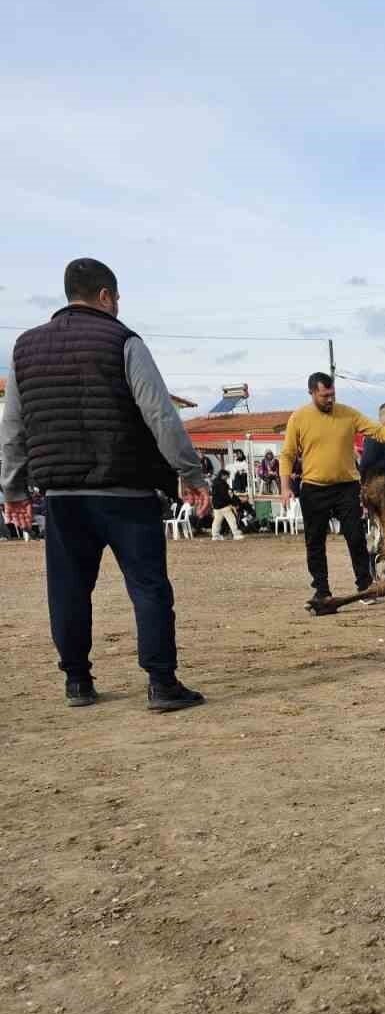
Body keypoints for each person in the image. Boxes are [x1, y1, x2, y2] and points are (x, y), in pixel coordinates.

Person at [0, 258, 209, 709]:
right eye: (116, 299)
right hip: (126, 491)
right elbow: (161, 415)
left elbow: (12, 426)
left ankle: (77, 681)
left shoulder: (24, 348)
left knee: (69, 589)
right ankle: (161, 683)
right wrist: (190, 474)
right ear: (105, 296)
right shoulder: (124, 341)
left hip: (62, 496)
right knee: (148, 587)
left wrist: (13, 490)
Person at [280, 373, 385, 609]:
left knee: (356, 538)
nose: (330, 399)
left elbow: (376, 430)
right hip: (314, 488)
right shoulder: (299, 418)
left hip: (346, 487)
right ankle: (321, 591)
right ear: (312, 393)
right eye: (324, 395)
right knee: (315, 542)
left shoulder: (347, 413)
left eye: (333, 394)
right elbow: (287, 454)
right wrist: (286, 487)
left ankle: (365, 587)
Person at [209, 469, 244, 540]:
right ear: (223, 475)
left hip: (216, 506)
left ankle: (215, 535)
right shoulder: (223, 484)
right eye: (227, 476)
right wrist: (233, 503)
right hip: (224, 505)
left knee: (216, 521)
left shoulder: (214, 483)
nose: (227, 478)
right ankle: (236, 534)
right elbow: (227, 495)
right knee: (231, 520)